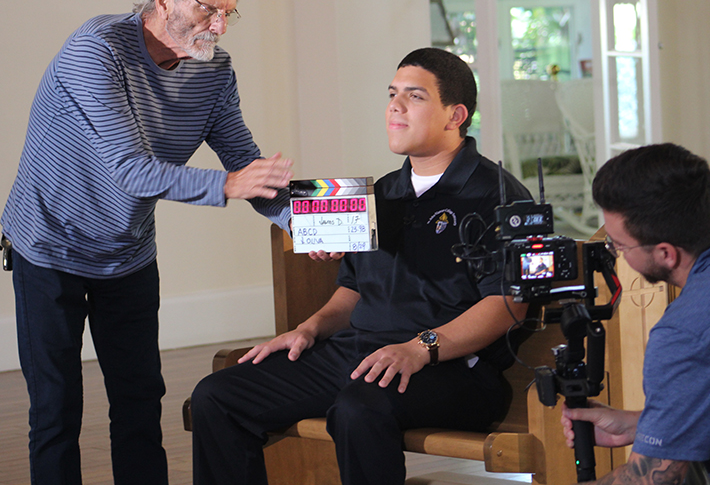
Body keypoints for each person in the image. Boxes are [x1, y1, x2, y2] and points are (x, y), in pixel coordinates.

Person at [1, 0, 294, 485]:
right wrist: (230, 185)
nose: (220, 26)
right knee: (56, 408)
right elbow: (130, 169)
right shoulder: (96, 49)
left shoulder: (214, 72)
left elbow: (244, 162)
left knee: (139, 404)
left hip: (127, 255)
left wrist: (298, 223)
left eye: (228, 12)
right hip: (49, 246)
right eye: (208, 9)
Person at [190, 47, 532, 485]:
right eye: (392, 94)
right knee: (217, 395)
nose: (395, 105)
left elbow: (508, 304)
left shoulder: (502, 195)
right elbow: (353, 290)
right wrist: (308, 329)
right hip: (360, 354)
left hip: (451, 368)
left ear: (455, 115)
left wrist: (419, 347)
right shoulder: (381, 194)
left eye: (415, 96)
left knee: (359, 406)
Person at [560, 143, 710, 485]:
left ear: (666, 253)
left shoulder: (687, 329)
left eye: (619, 245)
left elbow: (657, 479)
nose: (617, 255)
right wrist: (641, 425)